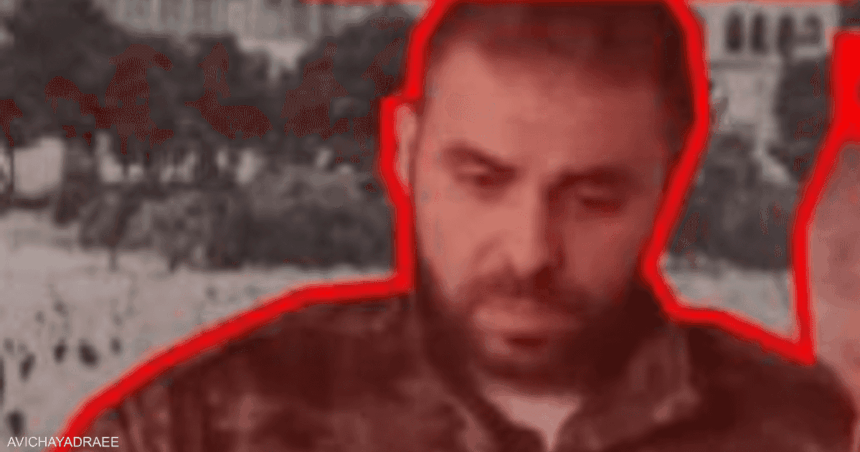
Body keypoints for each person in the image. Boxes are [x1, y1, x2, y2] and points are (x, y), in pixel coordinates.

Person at [69, 3, 855, 452]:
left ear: (674, 174)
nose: (530, 251)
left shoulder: (802, 429)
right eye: (481, 181)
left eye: (593, 198)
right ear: (404, 151)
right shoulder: (207, 418)